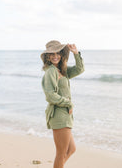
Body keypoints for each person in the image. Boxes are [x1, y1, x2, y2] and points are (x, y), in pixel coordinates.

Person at [41, 40, 85, 168]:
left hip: (65, 114)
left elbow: (79, 69)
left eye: (57, 53)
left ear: (61, 54)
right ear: (47, 56)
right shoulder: (51, 71)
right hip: (58, 114)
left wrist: (76, 53)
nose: (55, 56)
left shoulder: (61, 70)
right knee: (61, 153)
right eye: (51, 54)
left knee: (71, 149)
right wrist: (68, 103)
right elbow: (50, 95)